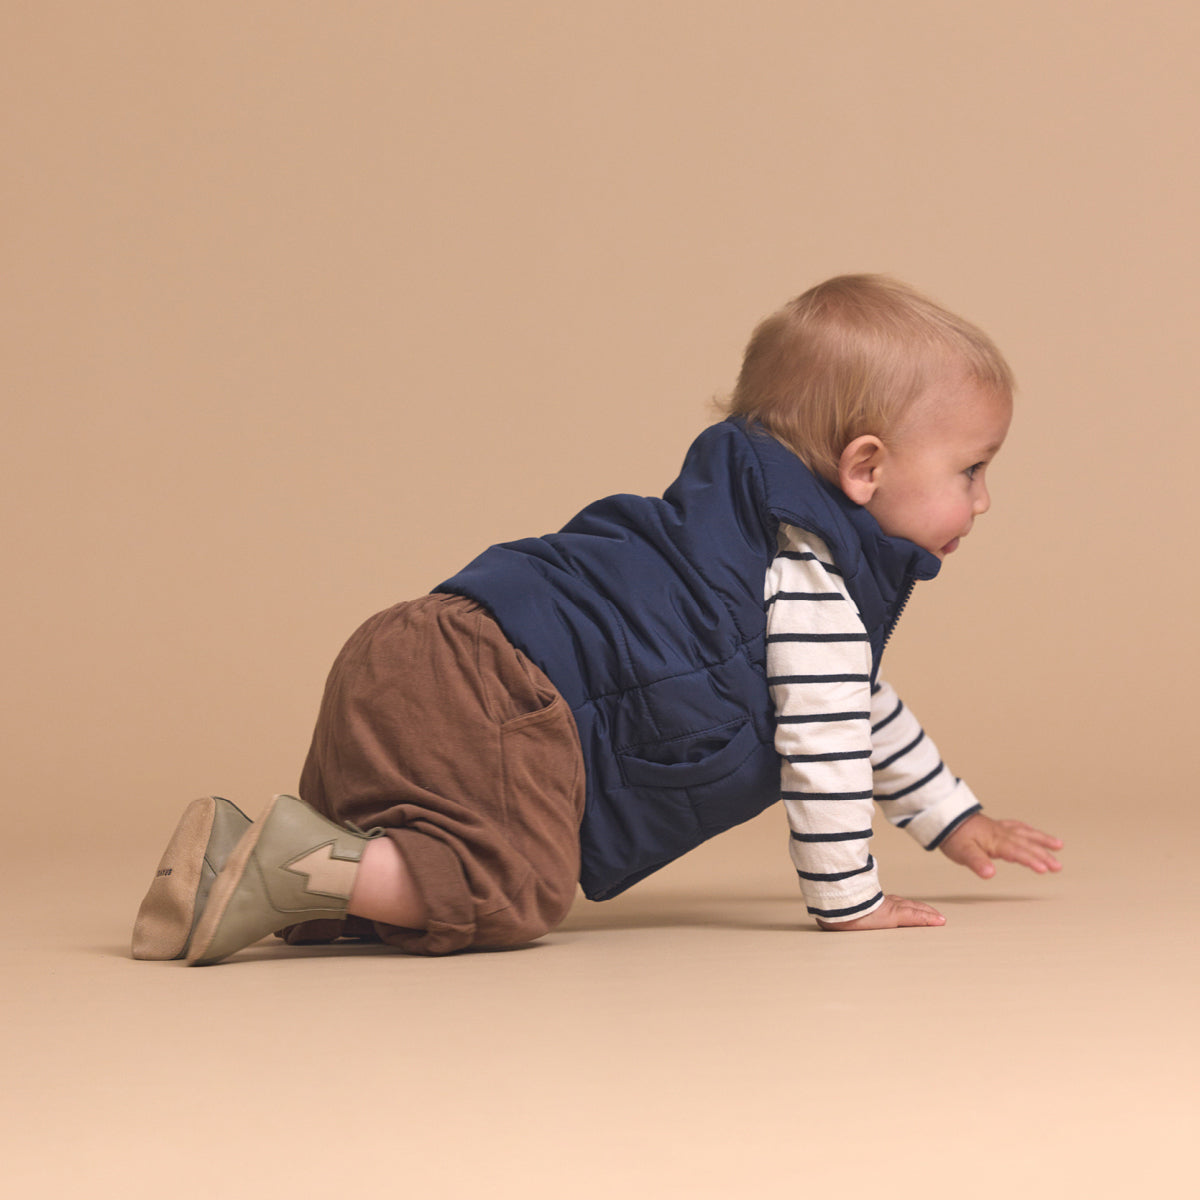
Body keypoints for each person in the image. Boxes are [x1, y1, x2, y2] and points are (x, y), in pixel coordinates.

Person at [131, 274, 1063, 966]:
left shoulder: (739, 541)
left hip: (417, 646)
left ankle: (233, 875)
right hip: (499, 691)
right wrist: (849, 900)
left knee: (395, 867)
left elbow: (852, 699)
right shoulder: (806, 577)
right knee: (506, 889)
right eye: (971, 470)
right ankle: (289, 861)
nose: (982, 500)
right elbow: (824, 742)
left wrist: (952, 818)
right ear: (865, 468)